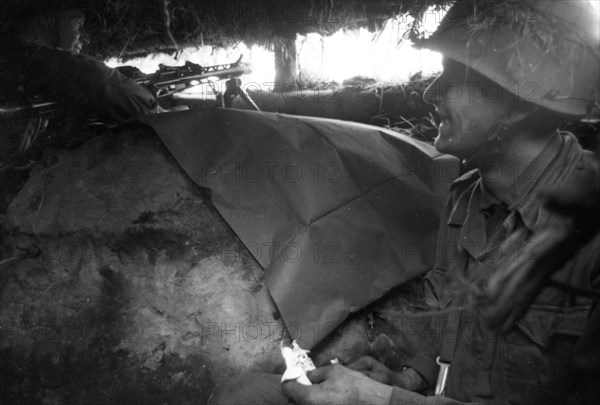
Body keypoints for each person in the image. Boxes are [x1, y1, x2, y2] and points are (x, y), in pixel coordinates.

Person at [208, 0, 600, 404]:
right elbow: (455, 327)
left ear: (516, 104)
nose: (431, 93)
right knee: (243, 394)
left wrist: (379, 400)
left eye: (452, 80)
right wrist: (407, 378)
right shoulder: (466, 199)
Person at [2, 6, 163, 125]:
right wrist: (154, 111)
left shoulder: (20, 54)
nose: (86, 38)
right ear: (44, 19)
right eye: (77, 23)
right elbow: (89, 74)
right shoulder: (25, 56)